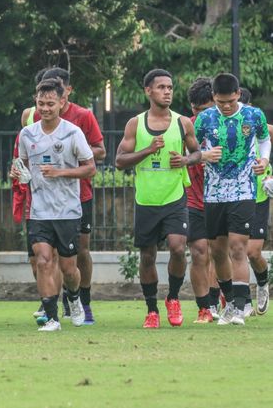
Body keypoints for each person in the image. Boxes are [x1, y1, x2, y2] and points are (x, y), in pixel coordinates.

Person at [115, 69, 201, 329]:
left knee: (177, 247)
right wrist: (148, 150)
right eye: (161, 87)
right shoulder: (135, 123)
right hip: (147, 200)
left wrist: (186, 160)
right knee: (148, 256)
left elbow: (198, 153)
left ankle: (173, 298)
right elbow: (119, 161)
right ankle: (151, 309)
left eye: (170, 87)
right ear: (148, 91)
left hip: (175, 197)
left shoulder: (182, 122)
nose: (167, 91)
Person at [11, 78, 95, 331]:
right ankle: (52, 318)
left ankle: (74, 297)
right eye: (40, 104)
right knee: (44, 261)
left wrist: (60, 172)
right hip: (38, 211)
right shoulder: (27, 134)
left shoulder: (72, 132)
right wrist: (17, 173)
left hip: (67, 210)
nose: (45, 108)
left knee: (69, 268)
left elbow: (90, 169)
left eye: (50, 104)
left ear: (61, 102)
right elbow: (21, 165)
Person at [195, 73, 270, 325]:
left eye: (229, 101)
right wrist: (205, 155)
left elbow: (264, 139)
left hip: (243, 190)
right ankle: (229, 300)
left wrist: (264, 160)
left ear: (238, 94)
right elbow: (191, 149)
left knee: (239, 247)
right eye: (220, 102)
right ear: (214, 97)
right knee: (217, 251)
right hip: (214, 193)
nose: (225, 106)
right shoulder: (204, 118)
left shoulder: (253, 115)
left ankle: (240, 306)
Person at [41, 68, 105, 323]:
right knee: (48, 253)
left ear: (67, 91)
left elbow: (99, 151)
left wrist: (73, 155)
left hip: (80, 194)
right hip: (46, 197)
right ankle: (52, 304)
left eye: (60, 90)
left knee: (80, 251)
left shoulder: (83, 117)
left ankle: (83, 301)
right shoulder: (35, 118)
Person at [184, 77, 217, 323]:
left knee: (220, 252)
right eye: (198, 110)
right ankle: (204, 307)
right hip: (193, 198)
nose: (202, 115)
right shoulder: (186, 128)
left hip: (223, 198)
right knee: (199, 252)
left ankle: (220, 299)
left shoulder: (228, 125)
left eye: (207, 110)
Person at [237, 89, 272, 316]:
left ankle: (262, 282)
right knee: (234, 249)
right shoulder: (223, 125)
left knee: (252, 252)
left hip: (258, 196)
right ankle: (242, 301)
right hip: (234, 195)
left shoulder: (263, 128)